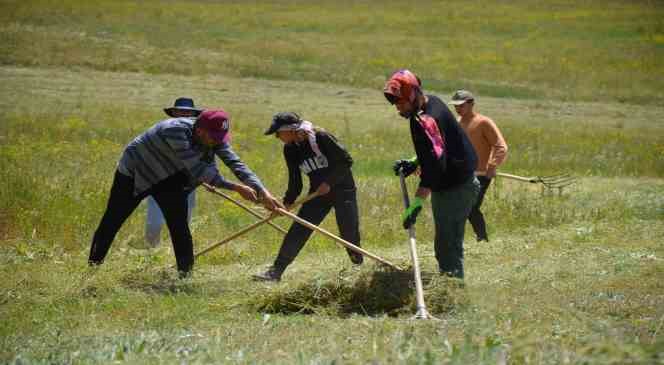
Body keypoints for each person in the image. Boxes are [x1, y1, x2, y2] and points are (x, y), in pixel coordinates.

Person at [88, 109, 281, 277]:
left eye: (220, 137)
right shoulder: (173, 130)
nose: (217, 142)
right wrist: (236, 188)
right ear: (200, 130)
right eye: (214, 137)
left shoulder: (214, 138)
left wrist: (262, 191)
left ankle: (185, 276)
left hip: (169, 177)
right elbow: (198, 170)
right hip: (136, 172)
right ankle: (92, 270)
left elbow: (236, 164)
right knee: (113, 220)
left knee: (179, 225)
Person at [383, 69, 479, 279]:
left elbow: (436, 165)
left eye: (400, 102)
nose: (397, 107)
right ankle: (453, 291)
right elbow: (439, 145)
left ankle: (453, 299)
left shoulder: (425, 120)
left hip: (456, 188)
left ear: (413, 95)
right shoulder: (430, 103)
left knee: (447, 248)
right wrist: (415, 161)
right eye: (395, 103)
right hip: (453, 183)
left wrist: (417, 203)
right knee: (446, 245)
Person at [253, 112, 363, 282]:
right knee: (298, 230)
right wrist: (287, 203)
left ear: (289, 129)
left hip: (343, 190)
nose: (277, 137)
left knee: (348, 231)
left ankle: (358, 268)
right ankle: (275, 272)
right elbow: (295, 180)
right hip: (316, 195)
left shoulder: (321, 137)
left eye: (278, 133)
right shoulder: (290, 149)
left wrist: (329, 182)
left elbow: (346, 161)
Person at [449, 90, 508, 242]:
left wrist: (492, 165)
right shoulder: (457, 123)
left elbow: (500, 146)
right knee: (460, 207)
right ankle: (460, 239)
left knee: (472, 207)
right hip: (463, 174)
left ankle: (482, 239)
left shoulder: (484, 122)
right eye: (456, 106)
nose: (458, 108)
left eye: (461, 105)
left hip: (481, 175)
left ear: (471, 104)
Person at [144, 97, 202, 248]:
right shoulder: (161, 131)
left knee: (182, 228)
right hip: (159, 184)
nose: (183, 114)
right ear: (174, 113)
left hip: (187, 188)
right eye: (180, 111)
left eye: (187, 112)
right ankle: (152, 253)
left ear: (193, 115)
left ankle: (172, 255)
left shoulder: (198, 136)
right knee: (154, 225)